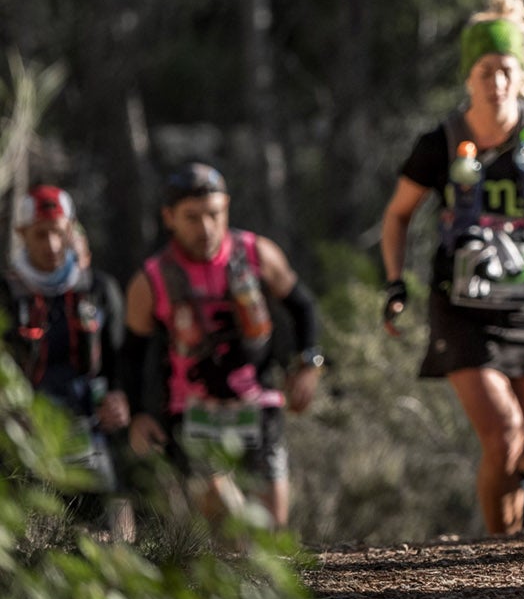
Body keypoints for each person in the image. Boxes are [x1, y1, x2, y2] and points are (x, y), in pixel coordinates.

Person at [378, 0, 524, 536]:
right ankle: (504, 565)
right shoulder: (441, 143)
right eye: (485, 72)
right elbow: (398, 214)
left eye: (507, 70)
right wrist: (395, 284)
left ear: (520, 74)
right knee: (502, 435)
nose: (498, 82)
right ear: (468, 77)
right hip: (463, 308)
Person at [123, 161, 324, 530]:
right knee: (225, 522)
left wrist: (309, 364)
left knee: (271, 529)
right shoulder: (150, 280)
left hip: (257, 404)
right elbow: (132, 354)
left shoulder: (257, 253)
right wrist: (140, 414)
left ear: (226, 207)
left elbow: (303, 306)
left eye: (214, 214)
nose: (205, 227)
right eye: (192, 217)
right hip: (193, 413)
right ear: (169, 218)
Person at [4, 184, 133, 537]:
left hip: (90, 429)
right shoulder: (7, 294)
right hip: (26, 435)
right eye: (40, 235)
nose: (52, 246)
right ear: (21, 234)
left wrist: (119, 397)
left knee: (114, 520)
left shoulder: (98, 290)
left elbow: (120, 359)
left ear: (71, 230)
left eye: (58, 234)